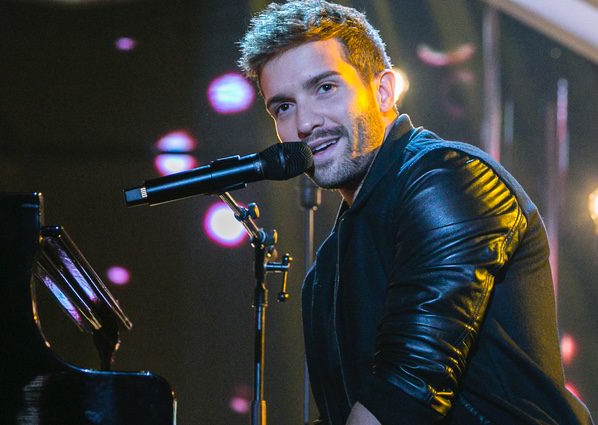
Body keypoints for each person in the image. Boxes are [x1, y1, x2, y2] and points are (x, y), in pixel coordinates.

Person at [237, 1, 594, 424]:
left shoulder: (445, 178)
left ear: (383, 90)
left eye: (325, 88)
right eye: (283, 107)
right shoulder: (326, 270)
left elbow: (407, 390)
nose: (304, 123)